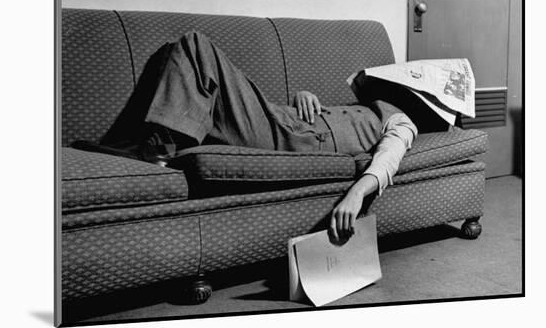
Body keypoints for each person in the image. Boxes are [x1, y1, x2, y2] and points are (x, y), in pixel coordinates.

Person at [74, 30, 418, 241]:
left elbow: (390, 158)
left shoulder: (401, 122)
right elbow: (321, 118)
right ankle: (158, 143)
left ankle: (158, 148)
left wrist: (357, 193)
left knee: (196, 45)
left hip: (292, 137)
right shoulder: (366, 104)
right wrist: (304, 98)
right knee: (179, 51)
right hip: (284, 121)